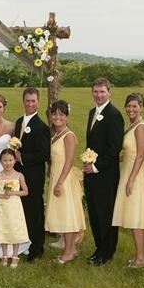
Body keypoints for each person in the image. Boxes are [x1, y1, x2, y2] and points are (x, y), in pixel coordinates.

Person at [112, 93, 144, 268]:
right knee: (133, 215)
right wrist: (123, 155)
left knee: (137, 216)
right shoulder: (132, 125)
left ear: (141, 107)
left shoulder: (141, 127)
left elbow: (141, 155)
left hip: (137, 175)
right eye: (129, 106)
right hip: (128, 169)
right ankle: (138, 254)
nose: (131, 109)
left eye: (135, 106)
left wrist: (132, 179)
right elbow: (132, 150)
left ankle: (142, 258)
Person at [0, 94, 30, 259]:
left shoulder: (11, 127)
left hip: (7, 168)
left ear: (4, 108)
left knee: (8, 208)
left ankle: (11, 243)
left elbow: (16, 148)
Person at [83, 78, 125, 266]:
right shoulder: (93, 112)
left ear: (109, 92)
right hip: (90, 173)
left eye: (102, 92)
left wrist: (96, 166)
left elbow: (114, 147)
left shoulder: (114, 115)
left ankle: (106, 252)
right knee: (94, 214)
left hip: (106, 175)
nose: (98, 95)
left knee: (105, 214)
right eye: (95, 92)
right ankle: (99, 248)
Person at [44, 100, 86, 264]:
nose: (57, 117)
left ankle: (69, 251)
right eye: (55, 114)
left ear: (67, 116)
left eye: (61, 114)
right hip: (56, 175)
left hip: (65, 178)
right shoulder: (54, 135)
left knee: (67, 214)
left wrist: (60, 182)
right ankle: (71, 249)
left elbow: (69, 161)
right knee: (62, 213)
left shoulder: (69, 136)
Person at [13, 87, 50, 261]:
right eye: (27, 100)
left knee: (35, 211)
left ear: (38, 102)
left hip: (34, 176)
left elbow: (44, 155)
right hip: (19, 174)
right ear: (23, 101)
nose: (30, 104)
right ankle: (24, 244)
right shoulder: (19, 121)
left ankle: (37, 248)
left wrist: (22, 157)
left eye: (33, 101)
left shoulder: (41, 127)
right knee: (23, 210)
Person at [0, 148, 29, 268]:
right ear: (0, 161)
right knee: (4, 228)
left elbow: (26, 192)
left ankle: (15, 255)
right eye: (5, 160)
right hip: (3, 208)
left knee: (15, 229)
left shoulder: (19, 175)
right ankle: (5, 255)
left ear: (15, 160)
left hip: (15, 208)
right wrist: (2, 195)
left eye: (10, 160)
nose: (8, 163)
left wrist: (14, 193)